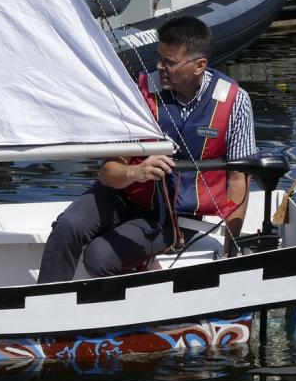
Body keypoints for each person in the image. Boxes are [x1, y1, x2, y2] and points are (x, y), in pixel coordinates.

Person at [38, 15, 257, 283]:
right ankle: (47, 306)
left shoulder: (235, 101)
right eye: (159, 57)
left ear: (200, 65)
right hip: (122, 194)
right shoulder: (138, 94)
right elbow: (108, 173)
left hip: (174, 216)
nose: (159, 66)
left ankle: (115, 320)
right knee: (68, 226)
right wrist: (136, 172)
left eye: (170, 62)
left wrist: (230, 251)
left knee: (98, 257)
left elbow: (238, 179)